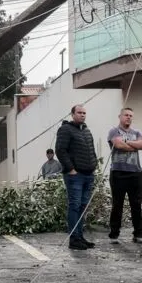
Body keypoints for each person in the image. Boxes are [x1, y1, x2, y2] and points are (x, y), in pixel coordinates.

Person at [55, 104, 98, 251]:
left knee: (83, 206)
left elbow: (92, 149)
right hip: (75, 176)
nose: (82, 115)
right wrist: (71, 169)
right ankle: (73, 239)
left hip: (88, 175)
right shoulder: (65, 130)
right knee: (74, 205)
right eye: (79, 112)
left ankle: (80, 237)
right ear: (72, 114)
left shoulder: (86, 130)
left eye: (84, 113)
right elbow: (60, 150)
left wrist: (94, 164)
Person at [107, 108, 142, 244]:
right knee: (117, 205)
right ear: (120, 116)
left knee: (136, 205)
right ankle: (114, 235)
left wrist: (127, 142)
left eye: (131, 116)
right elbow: (118, 145)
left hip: (135, 173)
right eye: (126, 115)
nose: (128, 118)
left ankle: (138, 234)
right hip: (118, 173)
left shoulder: (137, 132)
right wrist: (133, 145)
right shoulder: (114, 131)